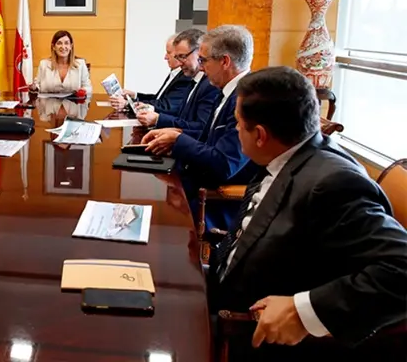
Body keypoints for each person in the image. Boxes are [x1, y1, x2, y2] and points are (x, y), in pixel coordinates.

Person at [209, 66, 407, 361]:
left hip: (247, 332)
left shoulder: (334, 183)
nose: (235, 130)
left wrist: (304, 311)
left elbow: (401, 268)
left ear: (260, 135)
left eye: (238, 123)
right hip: (222, 289)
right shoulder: (285, 156)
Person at [142, 25, 256, 232]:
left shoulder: (246, 99)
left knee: (153, 218)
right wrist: (176, 133)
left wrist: (178, 140)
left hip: (214, 201)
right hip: (193, 179)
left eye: (204, 61)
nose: (201, 68)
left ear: (225, 61)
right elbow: (208, 137)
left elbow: (224, 164)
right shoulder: (225, 91)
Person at [136, 29, 219, 131]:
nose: (179, 63)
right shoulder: (193, 81)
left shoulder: (210, 84)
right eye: (177, 57)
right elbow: (181, 118)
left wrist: (158, 120)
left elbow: (201, 128)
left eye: (183, 57)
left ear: (199, 52)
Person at [110, 32, 195, 115]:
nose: (165, 57)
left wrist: (127, 104)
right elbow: (157, 99)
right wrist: (134, 95)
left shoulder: (185, 77)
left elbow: (167, 106)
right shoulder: (175, 73)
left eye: (169, 53)